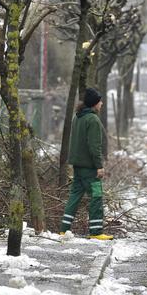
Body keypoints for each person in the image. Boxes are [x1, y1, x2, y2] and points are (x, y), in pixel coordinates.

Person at [60, 87, 113, 240]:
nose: (102, 103)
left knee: (74, 196)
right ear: (95, 103)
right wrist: (99, 166)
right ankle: (96, 232)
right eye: (100, 101)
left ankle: (64, 229)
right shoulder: (93, 119)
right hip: (90, 168)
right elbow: (94, 146)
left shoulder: (78, 117)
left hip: (77, 166)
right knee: (96, 196)